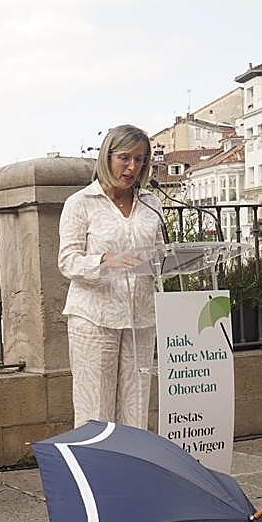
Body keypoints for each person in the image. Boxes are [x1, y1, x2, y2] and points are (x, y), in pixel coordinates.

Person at [58, 124, 165, 430]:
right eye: (125, 158)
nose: (132, 167)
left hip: (141, 318)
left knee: (136, 406)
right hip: (95, 317)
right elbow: (67, 261)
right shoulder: (80, 203)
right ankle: (93, 475)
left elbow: (158, 254)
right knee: (96, 409)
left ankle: (132, 475)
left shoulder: (150, 203)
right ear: (107, 156)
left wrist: (167, 261)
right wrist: (103, 261)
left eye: (140, 159)